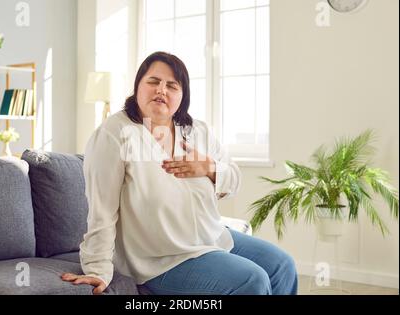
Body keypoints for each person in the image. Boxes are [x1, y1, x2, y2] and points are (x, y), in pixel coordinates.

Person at [61, 51, 298, 295]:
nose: (161, 90)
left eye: (172, 85)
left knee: (283, 266)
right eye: (153, 82)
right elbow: (102, 210)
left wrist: (210, 168)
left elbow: (235, 180)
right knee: (252, 281)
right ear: (137, 87)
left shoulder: (197, 131)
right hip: (161, 257)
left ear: (182, 96)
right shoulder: (115, 133)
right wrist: (97, 269)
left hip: (211, 238)